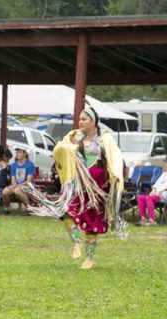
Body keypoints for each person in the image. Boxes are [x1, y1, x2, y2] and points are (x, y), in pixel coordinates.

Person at [26, 106, 126, 270]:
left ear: (93, 122)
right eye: (79, 119)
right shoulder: (74, 137)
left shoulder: (105, 138)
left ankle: (90, 257)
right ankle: (77, 242)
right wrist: (70, 148)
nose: (80, 122)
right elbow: (59, 149)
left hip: (98, 185)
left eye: (83, 119)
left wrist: (114, 180)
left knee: (93, 221)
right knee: (68, 212)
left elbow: (115, 159)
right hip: (78, 183)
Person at [136, 153, 167, 226]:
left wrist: (166, 189)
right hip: (158, 196)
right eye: (166, 162)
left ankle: (152, 220)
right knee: (140, 198)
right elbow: (156, 185)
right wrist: (154, 190)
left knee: (148, 198)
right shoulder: (164, 174)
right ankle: (143, 218)